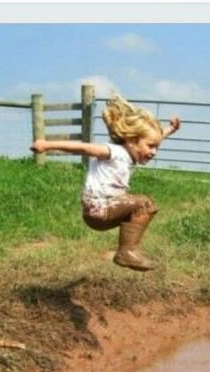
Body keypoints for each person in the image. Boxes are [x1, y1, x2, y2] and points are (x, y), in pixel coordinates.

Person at [31, 92, 181, 272]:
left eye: (157, 147)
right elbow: (84, 148)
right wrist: (47, 145)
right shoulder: (113, 151)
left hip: (106, 211)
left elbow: (153, 138)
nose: (154, 152)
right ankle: (126, 252)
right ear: (132, 141)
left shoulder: (130, 152)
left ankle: (128, 251)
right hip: (98, 209)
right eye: (150, 146)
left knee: (145, 207)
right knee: (144, 203)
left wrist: (169, 130)